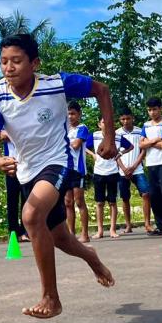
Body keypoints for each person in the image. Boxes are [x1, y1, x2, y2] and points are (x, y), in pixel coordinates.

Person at [0, 33, 116, 319]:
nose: (9, 68)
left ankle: (50, 298)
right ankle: (91, 257)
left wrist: (109, 138)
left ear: (34, 63)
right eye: (3, 61)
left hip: (57, 162)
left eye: (16, 61)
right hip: (26, 170)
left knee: (31, 217)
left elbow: (102, 90)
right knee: (59, 237)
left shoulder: (57, 84)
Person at [87, 118, 133, 239]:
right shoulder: (95, 136)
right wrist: (93, 154)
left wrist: (120, 153)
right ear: (99, 124)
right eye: (103, 122)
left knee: (112, 202)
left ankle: (112, 229)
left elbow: (130, 146)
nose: (106, 124)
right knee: (99, 202)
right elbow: (84, 146)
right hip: (99, 172)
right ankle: (100, 230)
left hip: (113, 172)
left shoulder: (117, 137)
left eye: (109, 123)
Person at [140, 98, 162, 237]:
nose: (152, 112)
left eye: (154, 109)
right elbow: (141, 144)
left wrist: (149, 142)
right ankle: (160, 225)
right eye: (149, 110)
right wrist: (155, 140)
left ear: (160, 109)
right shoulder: (146, 125)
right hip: (151, 163)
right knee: (154, 195)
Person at [116, 106, 151, 233]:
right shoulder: (117, 133)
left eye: (128, 118)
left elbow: (143, 151)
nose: (126, 121)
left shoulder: (140, 131)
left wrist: (134, 166)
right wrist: (124, 168)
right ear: (120, 120)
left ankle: (147, 223)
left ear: (132, 118)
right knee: (125, 198)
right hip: (122, 170)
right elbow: (115, 153)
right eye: (123, 119)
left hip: (137, 169)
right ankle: (128, 225)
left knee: (146, 194)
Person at [65, 101, 92, 242]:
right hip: (65, 169)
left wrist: (63, 144)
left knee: (79, 201)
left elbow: (76, 145)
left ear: (79, 114)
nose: (70, 116)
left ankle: (85, 234)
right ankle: (71, 234)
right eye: (68, 114)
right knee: (68, 202)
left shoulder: (82, 128)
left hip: (78, 169)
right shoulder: (64, 129)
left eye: (73, 113)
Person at [1, 129, 29, 242]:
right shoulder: (4, 124)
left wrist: (12, 135)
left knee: (26, 198)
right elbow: (1, 136)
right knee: (12, 199)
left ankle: (25, 231)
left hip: (26, 164)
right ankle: (13, 231)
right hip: (11, 164)